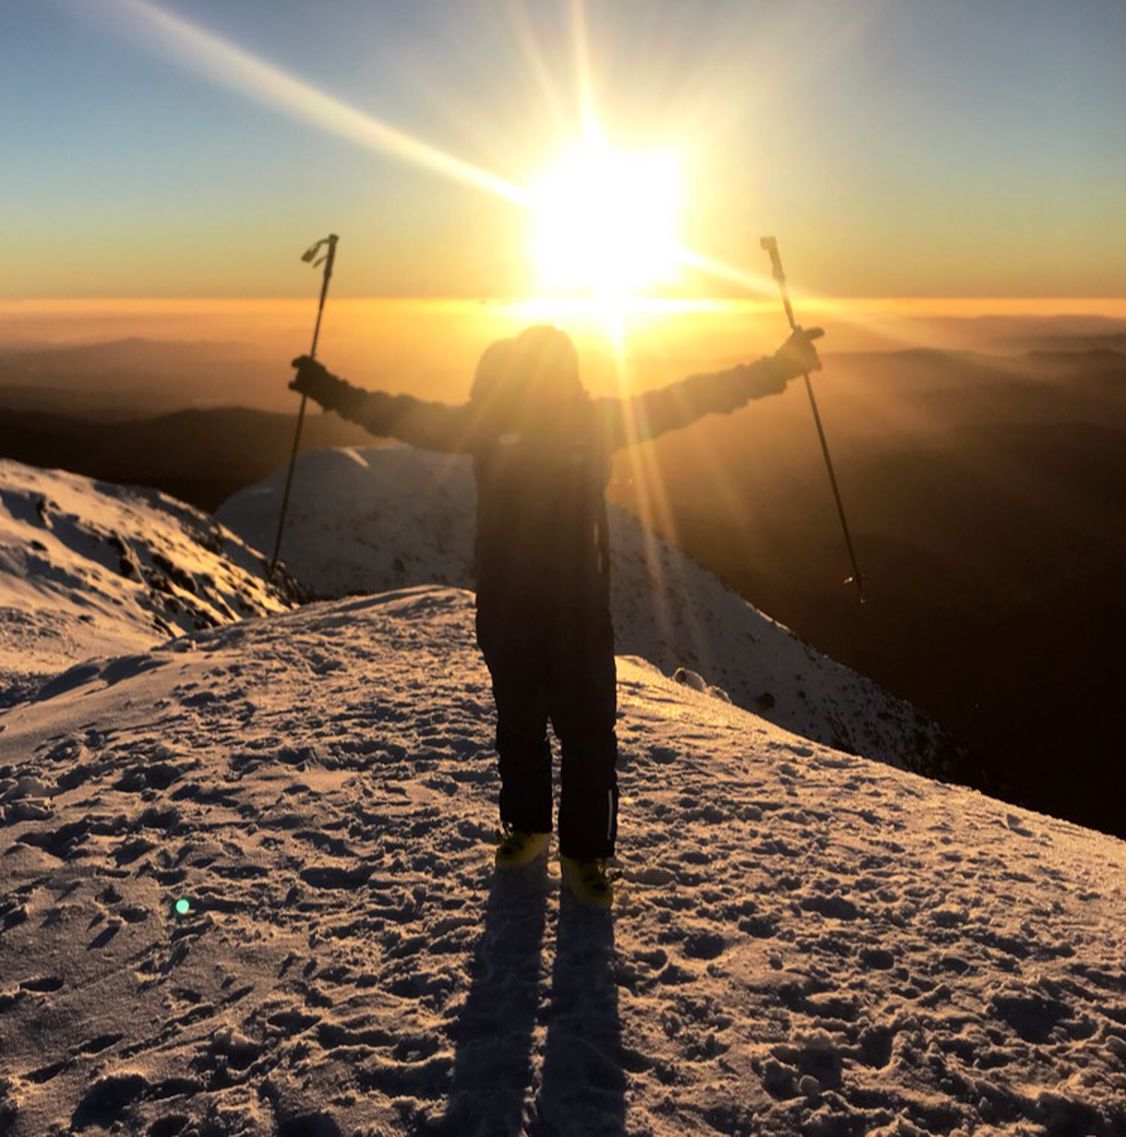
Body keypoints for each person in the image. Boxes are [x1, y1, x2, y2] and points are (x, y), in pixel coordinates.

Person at [288, 323, 823, 907]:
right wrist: (328, 389)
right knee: (539, 731)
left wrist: (776, 368)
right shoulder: (508, 425)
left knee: (580, 735)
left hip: (567, 610)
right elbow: (689, 397)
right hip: (528, 609)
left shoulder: (574, 423)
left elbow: (688, 396)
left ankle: (579, 852)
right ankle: (536, 832)